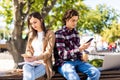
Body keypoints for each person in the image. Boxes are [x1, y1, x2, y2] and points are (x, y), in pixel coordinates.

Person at [53, 9, 100, 80]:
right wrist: (80, 49)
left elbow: (77, 51)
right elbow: (62, 55)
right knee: (73, 78)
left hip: (77, 61)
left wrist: (82, 55)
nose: (75, 23)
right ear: (66, 19)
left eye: (76, 20)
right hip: (64, 63)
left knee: (95, 72)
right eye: (73, 20)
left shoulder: (76, 33)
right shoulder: (59, 33)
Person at [22, 12, 55, 80]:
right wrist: (28, 56)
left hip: (43, 64)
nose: (33, 25)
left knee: (28, 76)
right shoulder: (31, 34)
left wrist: (36, 58)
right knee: (26, 67)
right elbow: (28, 50)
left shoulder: (50, 33)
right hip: (31, 63)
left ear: (41, 20)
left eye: (35, 22)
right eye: (31, 23)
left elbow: (48, 53)